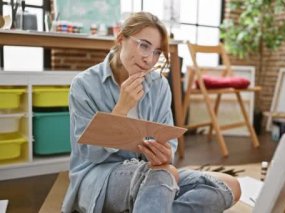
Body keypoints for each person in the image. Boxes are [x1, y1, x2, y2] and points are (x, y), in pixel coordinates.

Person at [62, 12, 241, 213]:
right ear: (121, 39)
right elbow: (90, 154)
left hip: (153, 174)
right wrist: (121, 109)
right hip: (100, 177)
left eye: (157, 52)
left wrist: (165, 154)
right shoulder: (84, 85)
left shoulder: (159, 85)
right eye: (144, 45)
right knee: (165, 175)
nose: (149, 59)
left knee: (230, 185)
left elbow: (168, 144)